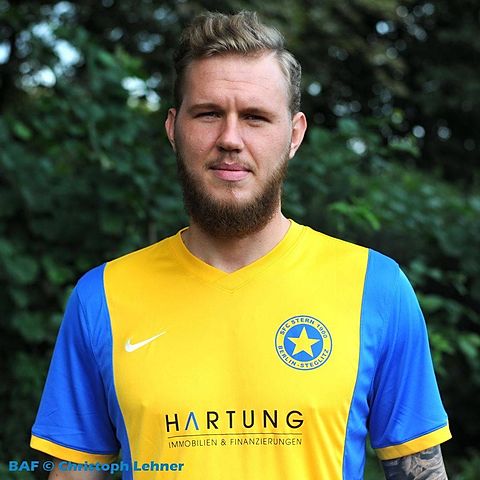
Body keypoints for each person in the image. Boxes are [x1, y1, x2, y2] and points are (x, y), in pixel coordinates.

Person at [31, 11, 451, 480]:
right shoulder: (103, 297)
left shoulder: (375, 288)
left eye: (255, 117)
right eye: (209, 113)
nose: (230, 139)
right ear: (173, 128)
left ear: (294, 135)